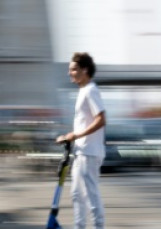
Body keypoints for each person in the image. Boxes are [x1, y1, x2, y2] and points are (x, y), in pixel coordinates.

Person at [56, 52, 106, 229]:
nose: (70, 72)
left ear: (84, 70)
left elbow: (101, 119)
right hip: (81, 151)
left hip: (90, 152)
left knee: (91, 195)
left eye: (74, 69)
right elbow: (84, 123)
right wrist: (69, 136)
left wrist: (76, 136)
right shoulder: (83, 91)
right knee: (77, 195)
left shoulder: (91, 90)